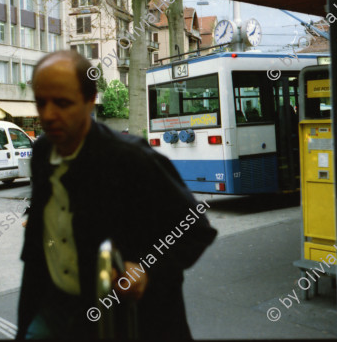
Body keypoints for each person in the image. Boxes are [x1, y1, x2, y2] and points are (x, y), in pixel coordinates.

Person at [16, 50, 217, 339]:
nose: (48, 115)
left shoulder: (132, 159)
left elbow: (195, 228)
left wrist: (147, 271)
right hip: (52, 308)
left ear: (90, 100)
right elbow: (42, 227)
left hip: (120, 320)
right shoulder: (43, 151)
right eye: (40, 102)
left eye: (62, 103)